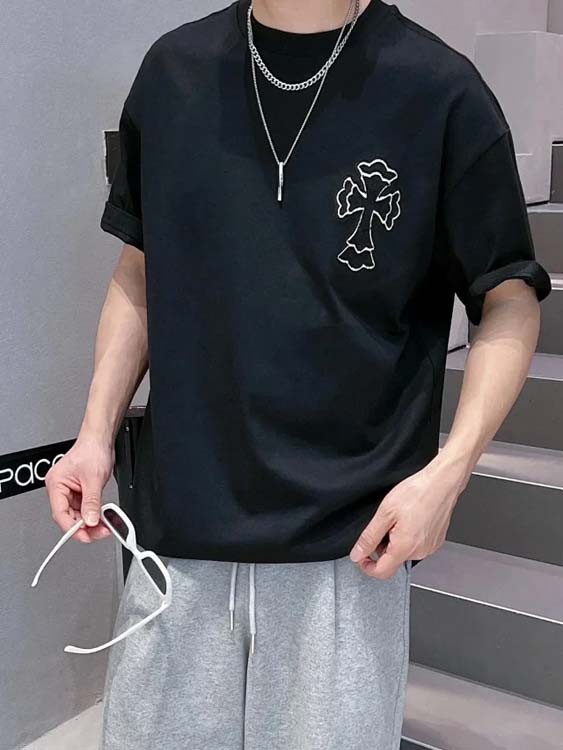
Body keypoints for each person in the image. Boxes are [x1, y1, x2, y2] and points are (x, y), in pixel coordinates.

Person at [45, 1, 552, 748]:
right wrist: (93, 436)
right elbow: (140, 271)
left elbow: (507, 298)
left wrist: (449, 475)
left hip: (348, 546)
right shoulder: (175, 73)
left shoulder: (438, 90)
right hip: (177, 537)